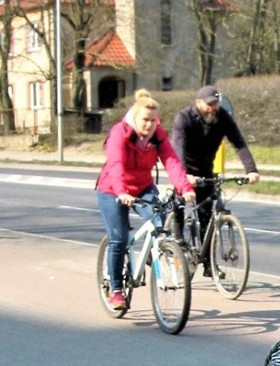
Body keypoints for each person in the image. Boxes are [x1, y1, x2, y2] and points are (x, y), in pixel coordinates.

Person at [95, 90, 195, 311]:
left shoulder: (157, 135)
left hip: (142, 187)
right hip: (112, 189)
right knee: (119, 240)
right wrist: (122, 193)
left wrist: (185, 188)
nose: (150, 125)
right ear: (134, 116)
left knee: (159, 224)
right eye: (145, 120)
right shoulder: (119, 133)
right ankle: (117, 289)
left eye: (153, 120)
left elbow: (171, 161)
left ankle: (156, 252)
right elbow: (115, 165)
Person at [171, 86, 259, 275]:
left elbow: (239, 143)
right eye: (210, 104)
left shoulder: (222, 118)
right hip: (184, 169)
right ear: (198, 103)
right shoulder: (183, 118)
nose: (213, 107)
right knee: (179, 203)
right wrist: (184, 175)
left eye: (216, 103)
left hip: (206, 169)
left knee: (206, 215)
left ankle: (209, 263)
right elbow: (178, 148)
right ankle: (178, 240)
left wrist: (251, 170)